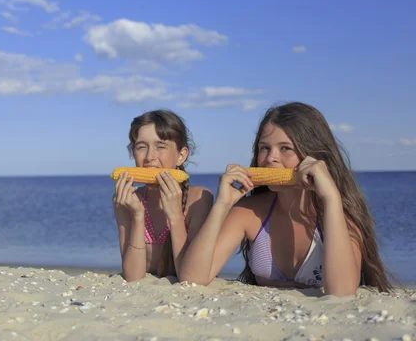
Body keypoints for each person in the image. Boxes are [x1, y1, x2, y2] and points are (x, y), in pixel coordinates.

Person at [178, 102, 392, 296]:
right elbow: (193, 278)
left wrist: (331, 198)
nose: (270, 158)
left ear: (313, 155)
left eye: (285, 148)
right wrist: (222, 204)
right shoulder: (248, 212)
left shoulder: (339, 214)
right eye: (264, 148)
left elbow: (342, 293)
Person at [112, 109, 214, 282]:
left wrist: (175, 217)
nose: (150, 157)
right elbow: (133, 276)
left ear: (181, 156)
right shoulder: (125, 201)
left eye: (160, 147)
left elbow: (188, 277)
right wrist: (137, 216)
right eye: (141, 147)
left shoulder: (199, 199)